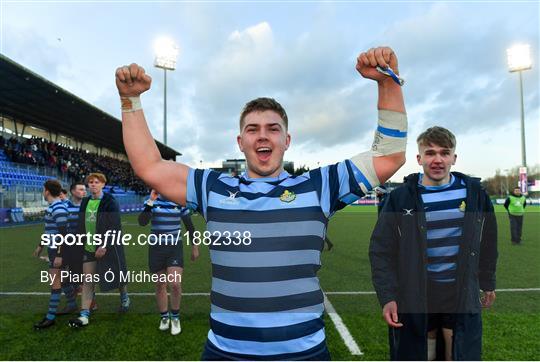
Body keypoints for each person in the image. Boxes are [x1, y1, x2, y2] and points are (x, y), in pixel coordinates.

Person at [116, 46, 408, 360]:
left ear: (287, 140)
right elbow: (149, 166)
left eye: (273, 129)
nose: (263, 136)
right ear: (240, 142)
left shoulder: (319, 185)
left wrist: (386, 83)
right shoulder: (212, 187)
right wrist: (130, 102)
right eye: (252, 129)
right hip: (226, 353)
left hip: (304, 353)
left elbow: (389, 156)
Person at [369, 126, 498, 360]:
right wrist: (387, 295)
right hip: (417, 290)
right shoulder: (400, 197)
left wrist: (488, 281)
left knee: (457, 348)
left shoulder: (475, 194)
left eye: (444, 152)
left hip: (459, 289)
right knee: (423, 351)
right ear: (419, 159)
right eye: (430, 153)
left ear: (454, 158)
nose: (437, 159)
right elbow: (381, 250)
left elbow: (489, 240)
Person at [68, 173, 129, 328]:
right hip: (89, 248)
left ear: (103, 184)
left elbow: (115, 227)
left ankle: (124, 296)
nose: (93, 185)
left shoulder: (110, 202)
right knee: (88, 281)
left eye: (96, 182)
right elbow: (80, 225)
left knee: (117, 275)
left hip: (108, 247)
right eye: (90, 182)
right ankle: (84, 315)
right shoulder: (86, 202)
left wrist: (105, 246)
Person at [138, 189, 199, 335]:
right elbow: (142, 222)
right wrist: (151, 202)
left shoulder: (178, 201)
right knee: (160, 284)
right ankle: (164, 317)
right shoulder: (152, 201)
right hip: (156, 248)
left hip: (174, 248)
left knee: (175, 284)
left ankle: (175, 318)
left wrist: (195, 246)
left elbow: (189, 226)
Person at [33, 179, 75, 329]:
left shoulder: (57, 208)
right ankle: (71, 304)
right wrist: (40, 246)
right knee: (62, 281)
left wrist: (59, 254)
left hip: (59, 249)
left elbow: (64, 233)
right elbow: (50, 230)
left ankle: (50, 317)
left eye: (43, 189)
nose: (43, 192)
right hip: (56, 248)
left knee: (55, 283)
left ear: (47, 191)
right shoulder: (56, 206)